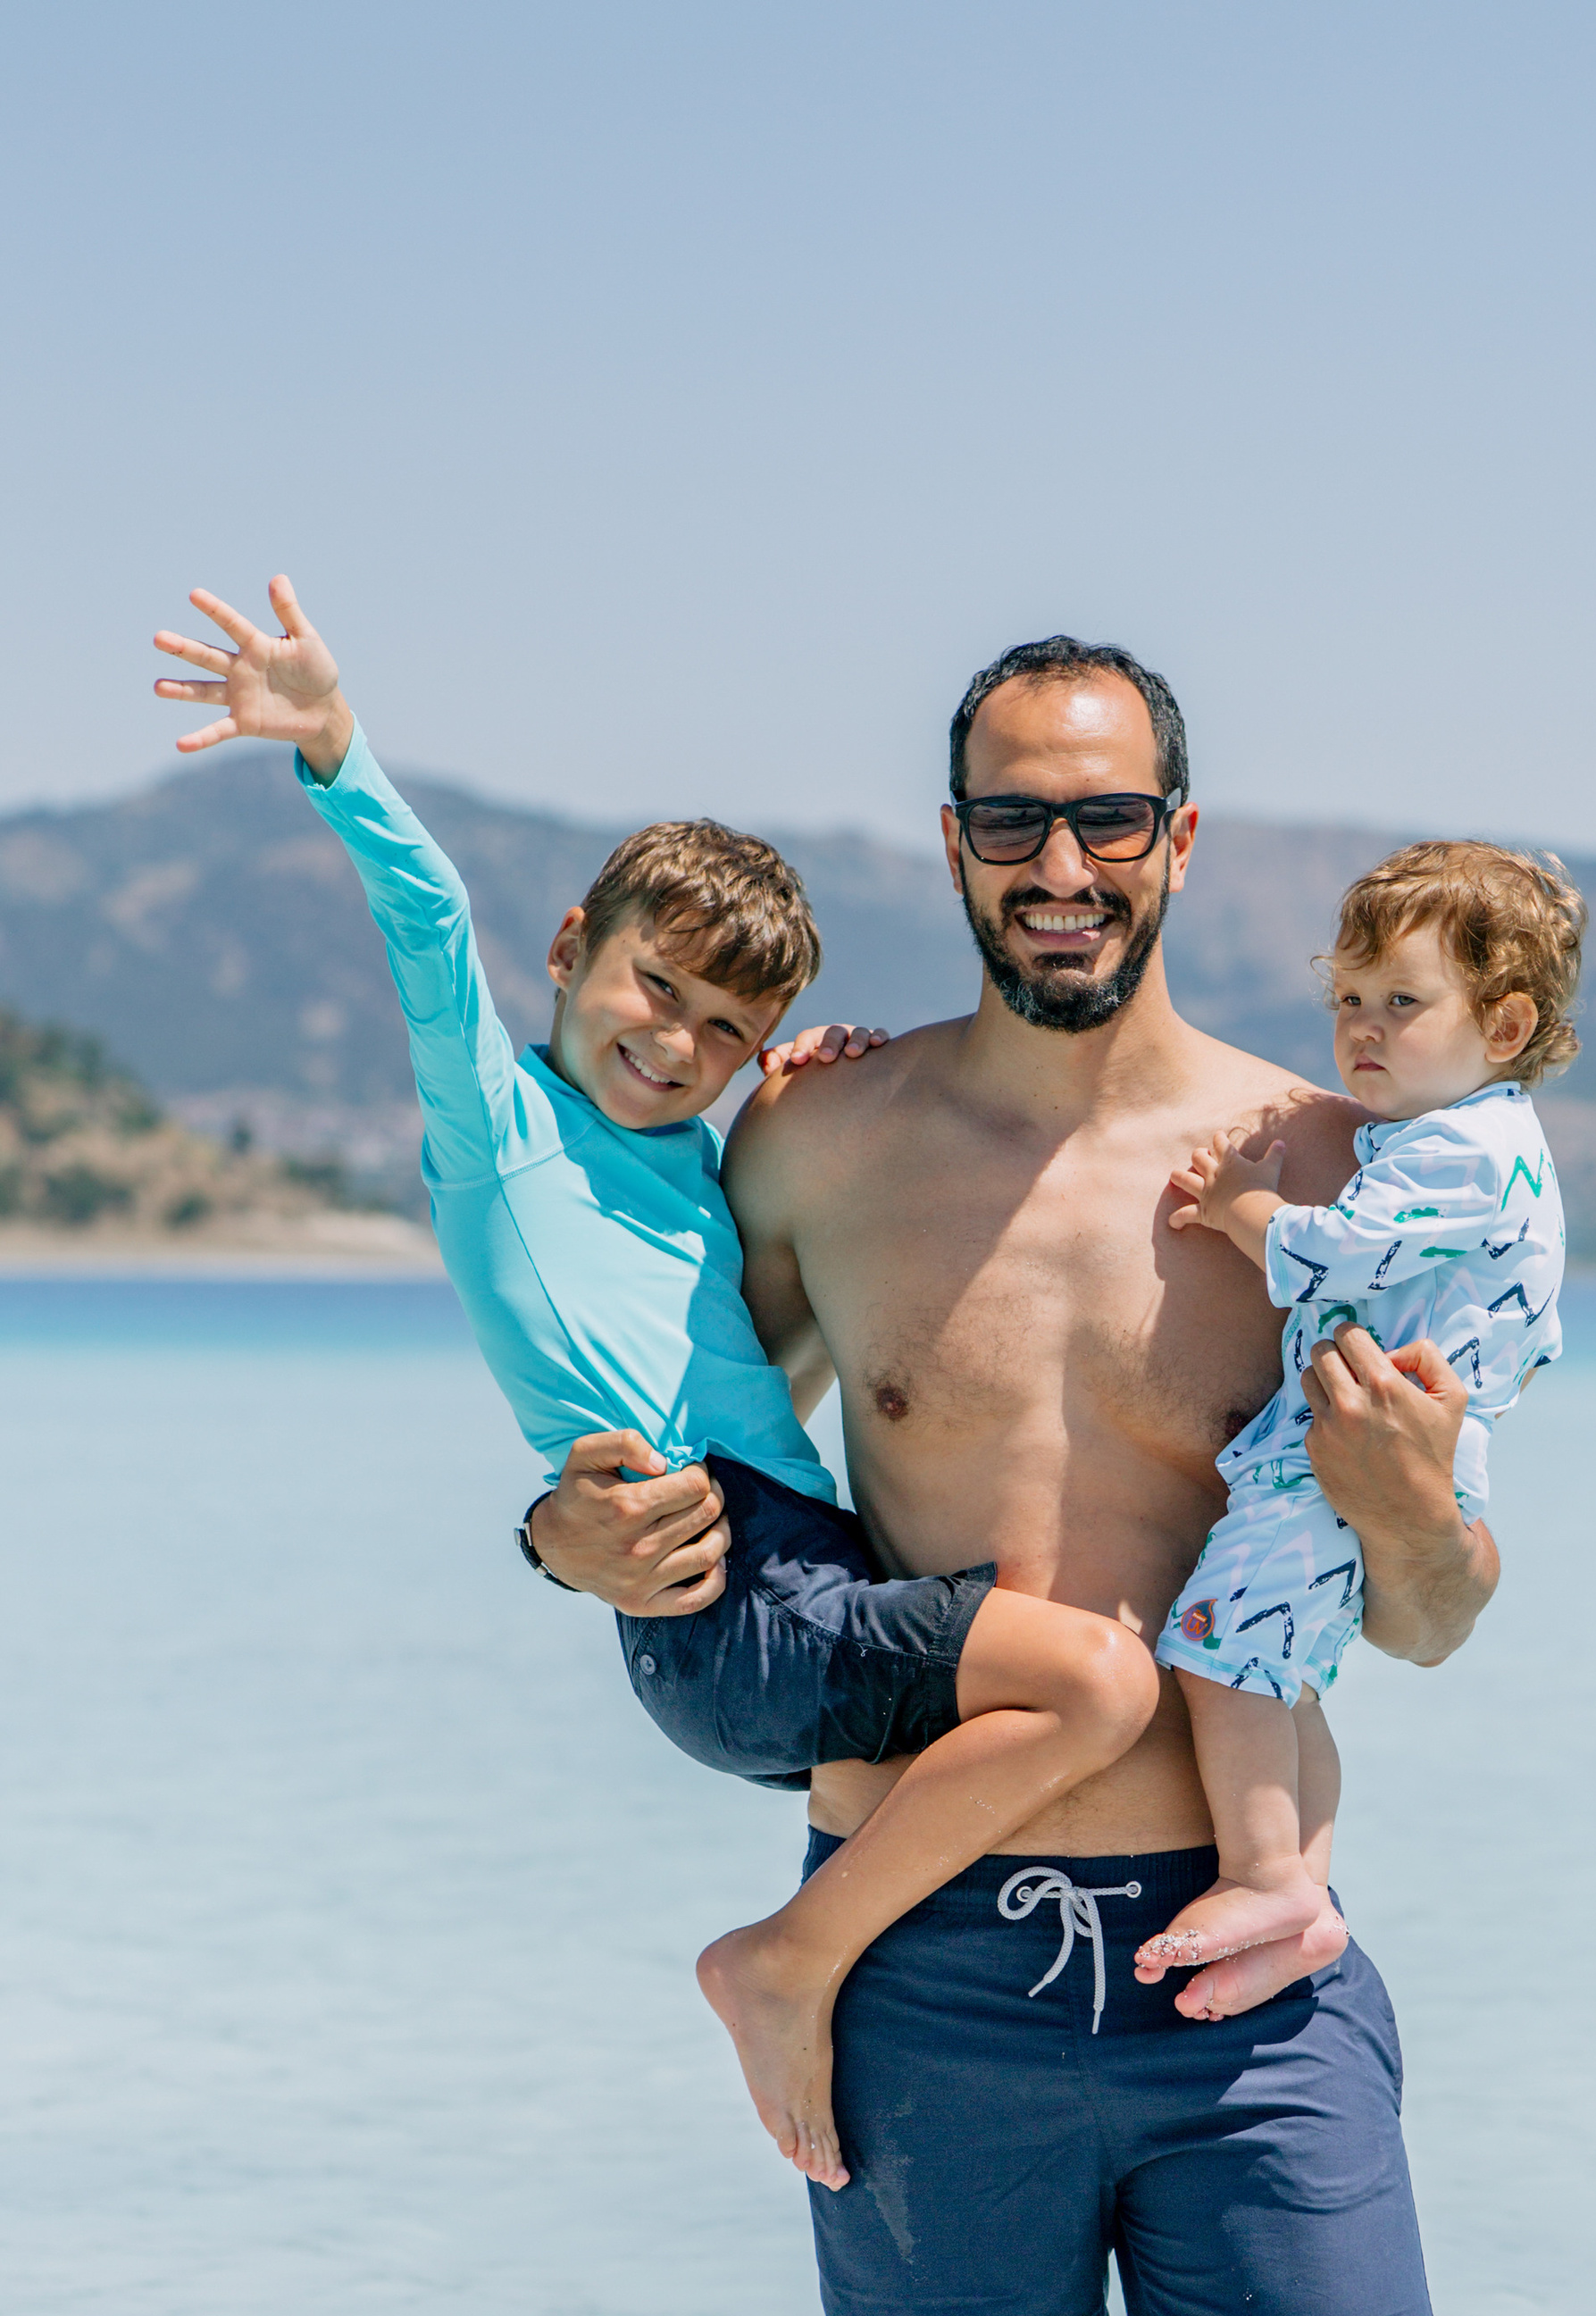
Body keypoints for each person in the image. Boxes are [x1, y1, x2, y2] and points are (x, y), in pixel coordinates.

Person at [532, 636, 1518, 2316]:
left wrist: (1412, 1505)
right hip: (922, 1968)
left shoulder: (1327, 1173)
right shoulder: (812, 1145)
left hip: (1237, 1971)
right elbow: (650, 1427)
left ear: (1176, 839)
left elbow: (1439, 1614)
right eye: (1009, 819)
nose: (1056, 865)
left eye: (1102, 820)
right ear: (952, 843)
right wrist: (567, 1541)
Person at [151, 579, 1163, 2191]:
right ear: (571, 951)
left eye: (725, 1027)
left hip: (780, 1578)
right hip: (726, 1594)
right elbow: (423, 924)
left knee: (1018, 1715)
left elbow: (771, 1359)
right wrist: (335, 745)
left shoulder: (701, 1168)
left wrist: (807, 1090)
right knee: (1101, 1683)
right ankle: (779, 1965)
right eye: (651, 991)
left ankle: (889, 2042)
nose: (677, 1044)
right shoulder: (496, 1120)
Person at [1134, 843, 1575, 2009]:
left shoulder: (1458, 1152)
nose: (1363, 1028)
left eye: (1402, 1003)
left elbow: (1342, 1247)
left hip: (1348, 1445)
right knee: (1287, 1679)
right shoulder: (1470, 1142)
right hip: (1376, 1432)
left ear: (1507, 1019)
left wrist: (1242, 1210)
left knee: (1212, 1645)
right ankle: (1301, 1904)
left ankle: (1265, 1875)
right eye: (1347, 1000)